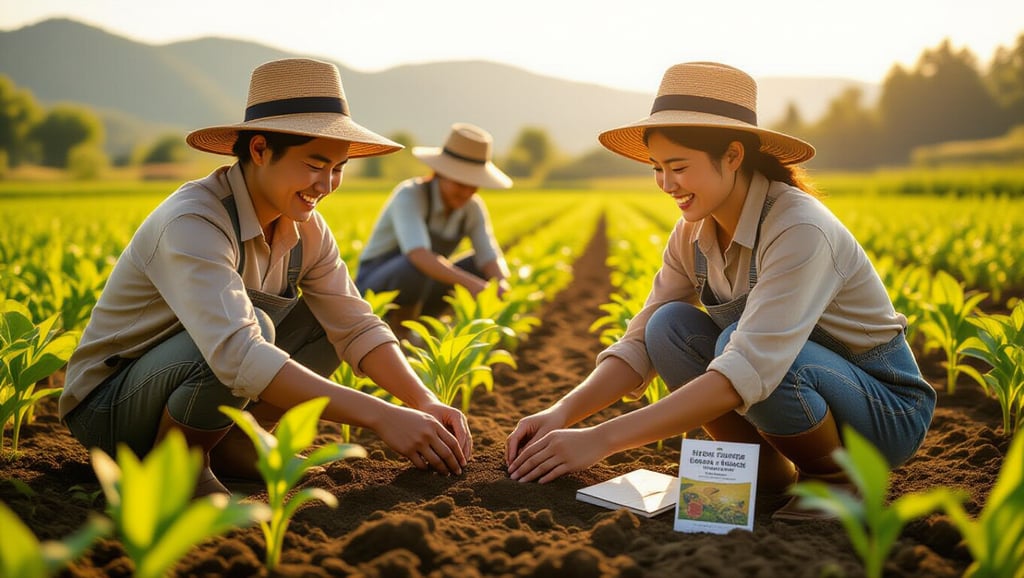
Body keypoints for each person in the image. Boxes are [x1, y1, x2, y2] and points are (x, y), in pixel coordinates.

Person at [505, 62, 936, 520]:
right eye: (657, 169)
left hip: (883, 410)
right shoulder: (692, 233)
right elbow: (639, 342)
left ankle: (834, 480)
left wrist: (601, 440)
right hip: (801, 390)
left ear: (732, 156)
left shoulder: (800, 229)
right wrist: (561, 414)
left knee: (739, 347)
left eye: (679, 167)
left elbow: (748, 366)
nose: (667, 185)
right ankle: (763, 472)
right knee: (667, 326)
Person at [60, 58, 472, 498]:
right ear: (259, 151)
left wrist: (423, 401)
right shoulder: (194, 221)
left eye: (338, 168)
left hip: (189, 387)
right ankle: (178, 467)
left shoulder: (306, 228)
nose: (327, 184)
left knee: (321, 319)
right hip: (111, 405)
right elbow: (238, 354)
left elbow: (355, 324)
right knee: (255, 325)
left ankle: (236, 442)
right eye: (315, 165)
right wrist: (381, 416)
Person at [355, 123, 512, 332]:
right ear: (440, 173)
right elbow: (418, 255)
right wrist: (473, 285)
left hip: (423, 287)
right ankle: (401, 336)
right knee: (415, 267)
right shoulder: (410, 194)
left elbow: (489, 255)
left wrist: (500, 283)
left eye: (473, 185)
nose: (466, 192)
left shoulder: (472, 208)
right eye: (460, 183)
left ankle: (430, 327)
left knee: (478, 266)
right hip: (376, 287)